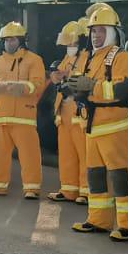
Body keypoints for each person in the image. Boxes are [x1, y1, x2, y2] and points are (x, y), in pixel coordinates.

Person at [71, 4, 128, 241]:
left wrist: (91, 87)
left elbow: (124, 89)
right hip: (91, 127)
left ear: (112, 31)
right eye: (93, 31)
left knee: (121, 177)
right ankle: (98, 220)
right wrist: (74, 89)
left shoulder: (122, 57)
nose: (96, 35)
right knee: (96, 177)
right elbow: (79, 83)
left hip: (114, 128)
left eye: (101, 30)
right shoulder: (89, 58)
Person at [0, 21, 47, 199]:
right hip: (1, 116)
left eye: (12, 40)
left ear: (21, 41)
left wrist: (21, 87)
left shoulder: (34, 60)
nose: (8, 43)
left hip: (24, 116)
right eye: (6, 40)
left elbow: (38, 84)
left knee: (29, 155)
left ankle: (32, 188)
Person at [47, 20, 87, 203]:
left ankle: (86, 191)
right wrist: (55, 76)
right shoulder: (68, 58)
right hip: (63, 110)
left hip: (79, 111)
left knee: (84, 153)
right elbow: (60, 76)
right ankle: (69, 189)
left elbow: (86, 82)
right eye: (68, 44)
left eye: (73, 43)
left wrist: (67, 82)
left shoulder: (87, 57)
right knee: (66, 152)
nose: (70, 47)